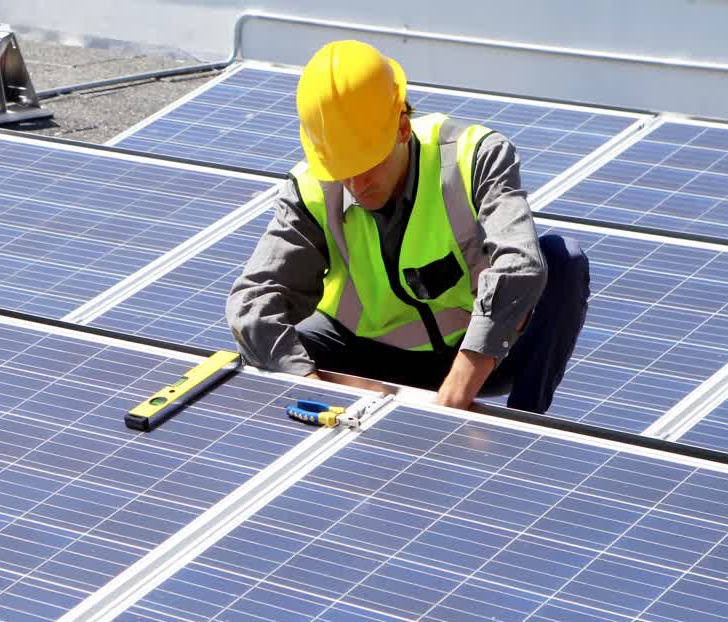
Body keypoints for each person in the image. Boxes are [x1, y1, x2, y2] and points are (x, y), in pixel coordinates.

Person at [226, 40, 589, 413]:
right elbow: (252, 301)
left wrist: (458, 390)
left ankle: (522, 428)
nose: (356, 186)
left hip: (478, 356)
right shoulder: (310, 190)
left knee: (564, 260)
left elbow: (520, 265)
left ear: (401, 127)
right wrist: (313, 388)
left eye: (366, 165)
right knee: (265, 352)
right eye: (341, 171)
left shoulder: (474, 156)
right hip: (363, 356)